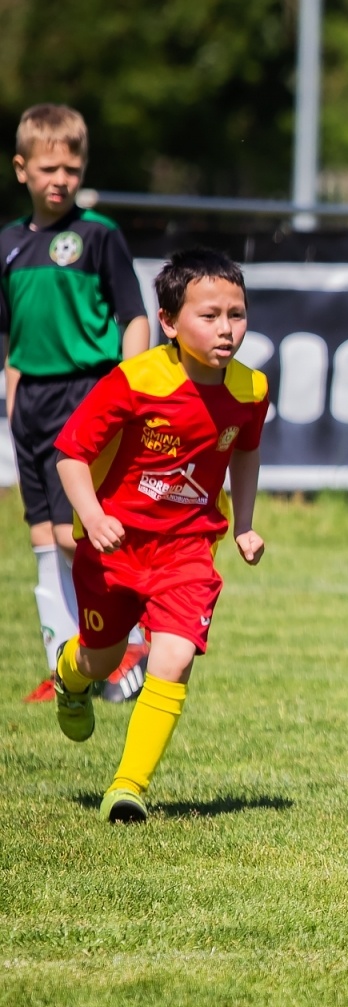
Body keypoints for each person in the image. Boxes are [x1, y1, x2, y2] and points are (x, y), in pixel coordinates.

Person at [50, 248, 268, 824]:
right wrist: (94, 517)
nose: (226, 329)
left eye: (237, 315)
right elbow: (71, 455)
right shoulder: (136, 381)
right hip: (115, 548)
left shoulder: (250, 391)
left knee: (173, 658)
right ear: (169, 322)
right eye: (210, 315)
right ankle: (70, 678)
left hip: (188, 550)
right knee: (104, 660)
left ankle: (128, 788)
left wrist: (243, 524)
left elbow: (246, 451)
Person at [3, 103, 151, 704]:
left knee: (78, 533)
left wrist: (132, 386)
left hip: (86, 392)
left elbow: (133, 315)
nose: (60, 178)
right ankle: (65, 669)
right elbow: (10, 332)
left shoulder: (98, 236)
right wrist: (11, 386)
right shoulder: (9, 246)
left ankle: (126, 651)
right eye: (47, 167)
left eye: (71, 165)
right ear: (22, 170)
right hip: (30, 400)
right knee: (43, 535)